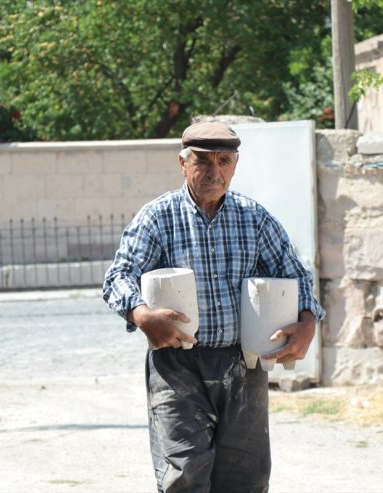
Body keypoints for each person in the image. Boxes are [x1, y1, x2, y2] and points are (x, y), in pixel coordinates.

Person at [103, 121, 325, 492]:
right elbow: (118, 277)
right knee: (185, 475)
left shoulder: (253, 219)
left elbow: (296, 276)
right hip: (177, 365)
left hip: (243, 364)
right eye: (203, 161)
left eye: (224, 161)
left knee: (245, 478)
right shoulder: (158, 217)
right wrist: (142, 316)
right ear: (183, 163)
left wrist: (307, 322)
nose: (214, 171)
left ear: (235, 164)